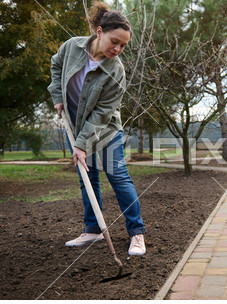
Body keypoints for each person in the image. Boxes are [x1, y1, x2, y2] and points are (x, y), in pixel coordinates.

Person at [47, 2, 145, 256]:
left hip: (105, 131)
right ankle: (93, 230)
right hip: (76, 126)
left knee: (118, 178)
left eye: (123, 46)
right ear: (99, 32)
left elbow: (102, 114)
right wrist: (57, 96)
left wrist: (81, 144)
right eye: (115, 41)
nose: (118, 49)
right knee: (87, 179)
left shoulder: (117, 71)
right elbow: (56, 65)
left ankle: (137, 233)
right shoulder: (72, 47)